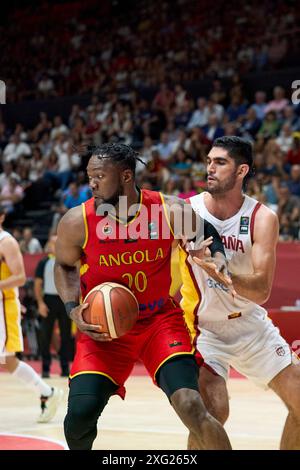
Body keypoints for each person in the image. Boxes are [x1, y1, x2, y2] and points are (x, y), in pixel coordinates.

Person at [54, 142, 232, 450]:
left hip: (158, 322)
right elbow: (65, 266)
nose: (91, 183)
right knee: (78, 418)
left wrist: (217, 259)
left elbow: (207, 234)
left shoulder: (168, 209)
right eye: (89, 176)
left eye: (99, 176)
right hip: (103, 332)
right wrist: (72, 309)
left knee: (192, 405)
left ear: (125, 176)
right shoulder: (76, 221)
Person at [180, 136, 300, 450]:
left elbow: (260, 290)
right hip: (204, 328)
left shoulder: (262, 218)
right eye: (208, 161)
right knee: (212, 412)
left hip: (250, 324)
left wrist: (222, 272)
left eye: (220, 162)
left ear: (241, 170)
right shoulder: (185, 212)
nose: (210, 168)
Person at [0, 206, 63, 423]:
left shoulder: (6, 242)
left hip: (4, 307)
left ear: (2, 217)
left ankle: (47, 392)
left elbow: (19, 277)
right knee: (10, 363)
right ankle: (47, 392)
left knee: (10, 360)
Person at [34, 234, 72, 378]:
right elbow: (37, 284)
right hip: (48, 300)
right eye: (52, 243)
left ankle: (64, 368)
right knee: (45, 336)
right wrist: (40, 303)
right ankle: (45, 368)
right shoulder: (43, 262)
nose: (54, 246)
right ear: (49, 246)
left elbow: (73, 282)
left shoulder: (68, 261)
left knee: (66, 335)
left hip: (64, 300)